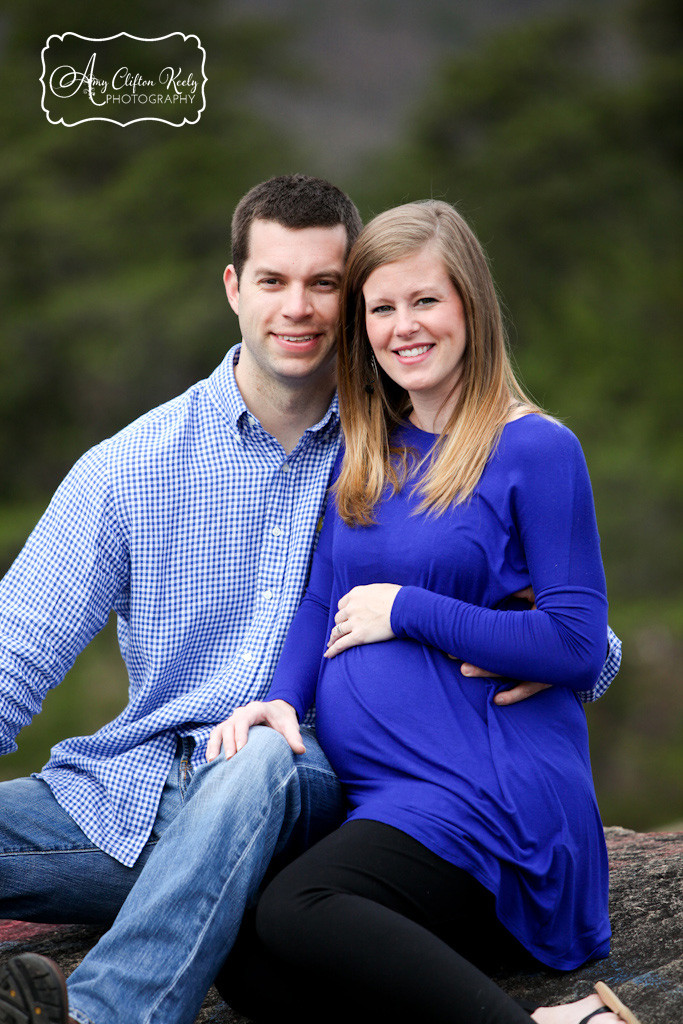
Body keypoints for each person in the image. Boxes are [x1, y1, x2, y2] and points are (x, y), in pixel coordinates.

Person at [0, 178, 620, 1024]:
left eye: (324, 284)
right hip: (140, 786)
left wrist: (509, 633)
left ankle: (105, 1014)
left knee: (261, 767)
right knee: (256, 946)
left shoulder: (408, 433)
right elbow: (14, 655)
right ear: (233, 288)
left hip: (311, 779)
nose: (298, 308)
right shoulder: (139, 466)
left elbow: (572, 631)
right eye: (272, 281)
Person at [209, 201, 638, 1024]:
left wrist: (411, 611)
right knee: (248, 962)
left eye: (425, 301)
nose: (404, 326)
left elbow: (577, 644)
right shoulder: (370, 446)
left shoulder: (536, 448)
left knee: (299, 906)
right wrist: (280, 701)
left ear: (469, 306)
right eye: (381, 307)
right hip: (389, 798)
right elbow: (320, 601)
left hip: (487, 795)